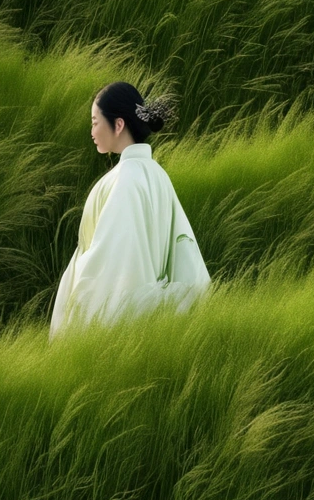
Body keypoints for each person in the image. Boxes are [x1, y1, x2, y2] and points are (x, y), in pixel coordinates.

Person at [49, 82, 210, 336]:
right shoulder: (158, 176)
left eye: (94, 122)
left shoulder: (123, 180)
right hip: (156, 327)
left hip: (127, 328)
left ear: (119, 124)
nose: (91, 131)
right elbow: (183, 251)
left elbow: (110, 265)